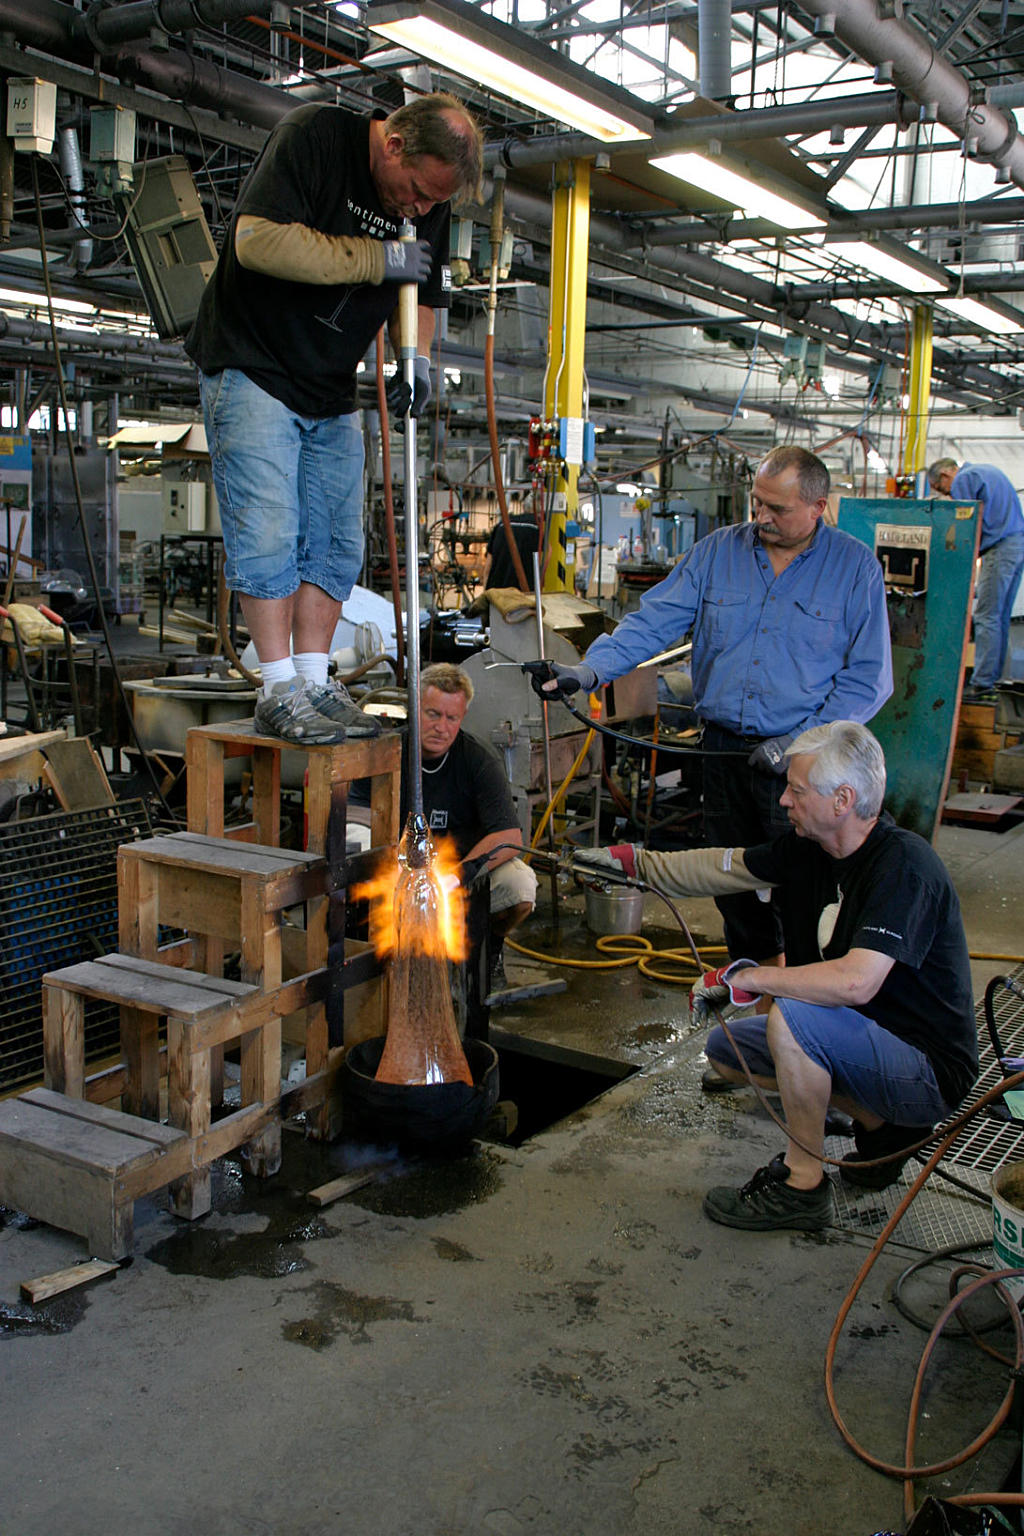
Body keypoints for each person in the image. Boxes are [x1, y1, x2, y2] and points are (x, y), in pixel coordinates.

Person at [577, 722, 978, 1233]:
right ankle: (884, 1130)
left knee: (791, 1018)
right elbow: (724, 867)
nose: (784, 800)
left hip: (927, 1070)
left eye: (797, 790)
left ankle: (802, 1184)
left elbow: (856, 982)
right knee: (728, 1051)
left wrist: (754, 978)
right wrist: (636, 864)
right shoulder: (810, 850)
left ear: (842, 800)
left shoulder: (904, 865)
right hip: (861, 1037)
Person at [186, 94, 483, 745]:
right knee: (268, 529)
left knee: (336, 540)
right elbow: (257, 242)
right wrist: (377, 259)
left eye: (434, 201)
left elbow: (421, 290)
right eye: (416, 192)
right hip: (253, 361)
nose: (420, 210)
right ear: (395, 144)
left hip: (329, 382)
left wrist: (414, 358)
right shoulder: (316, 136)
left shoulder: (428, 202)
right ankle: (277, 688)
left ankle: (314, 679)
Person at [530, 445, 893, 969]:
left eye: (777, 509)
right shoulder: (718, 552)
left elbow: (869, 679)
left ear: (818, 507)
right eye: (756, 502)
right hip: (722, 752)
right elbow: (651, 623)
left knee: (805, 886)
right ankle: (755, 983)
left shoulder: (854, 569)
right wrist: (588, 671)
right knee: (732, 884)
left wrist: (797, 745)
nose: (761, 517)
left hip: (804, 764)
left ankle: (803, 994)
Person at [411, 664, 537, 951]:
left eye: (451, 718)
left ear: (463, 716)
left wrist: (455, 877)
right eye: (433, 714)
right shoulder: (390, 751)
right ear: (415, 707)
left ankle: (488, 952)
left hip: (463, 869)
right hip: (402, 869)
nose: (441, 727)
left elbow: (509, 836)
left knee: (520, 886)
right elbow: (358, 822)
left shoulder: (478, 760)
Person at [928, 459, 1024, 701]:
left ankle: (982, 684)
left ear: (946, 474)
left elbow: (967, 526)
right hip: (1016, 545)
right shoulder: (985, 471)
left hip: (1000, 549)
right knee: (999, 616)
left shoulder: (964, 479)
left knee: (986, 616)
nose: (948, 495)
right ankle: (996, 680)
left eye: (941, 489)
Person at [482, 501, 539, 592]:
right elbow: (547, 554)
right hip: (524, 594)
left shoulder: (501, 524)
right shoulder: (537, 527)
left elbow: (488, 567)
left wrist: (486, 592)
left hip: (497, 591)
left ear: (523, 508)